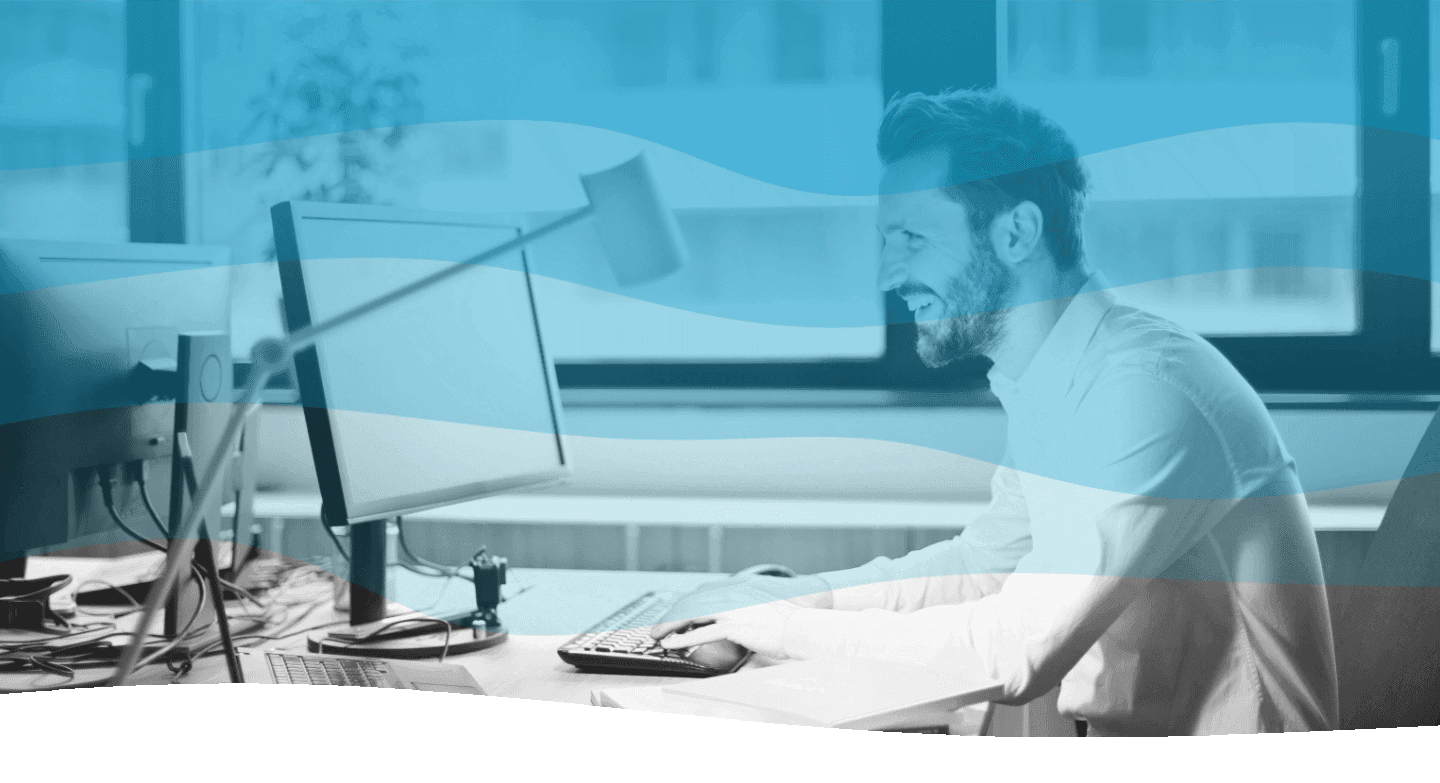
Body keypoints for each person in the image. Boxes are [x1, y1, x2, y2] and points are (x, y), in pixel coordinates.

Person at [649, 89, 1339, 737]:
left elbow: (1016, 649)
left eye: (913, 238)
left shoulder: (1144, 392)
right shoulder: (1062, 379)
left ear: (1016, 233)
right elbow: (983, 569)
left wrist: (780, 628)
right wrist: (796, 599)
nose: (889, 275)